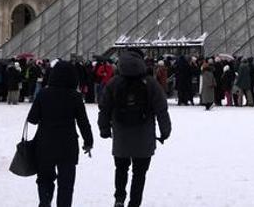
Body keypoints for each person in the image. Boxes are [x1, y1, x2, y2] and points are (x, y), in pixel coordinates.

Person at [98, 50, 171, 207]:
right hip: (143, 137)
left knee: (121, 169)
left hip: (121, 136)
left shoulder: (114, 82)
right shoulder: (150, 83)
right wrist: (165, 131)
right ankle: (134, 203)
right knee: (139, 174)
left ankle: (119, 198)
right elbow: (161, 109)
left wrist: (104, 129)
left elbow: (104, 108)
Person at [27, 61, 93, 207]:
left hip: (45, 143)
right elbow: (83, 122)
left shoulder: (43, 93)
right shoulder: (75, 96)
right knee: (66, 185)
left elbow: (32, 119)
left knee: (44, 179)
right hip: (68, 145)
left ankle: (45, 202)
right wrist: (88, 142)